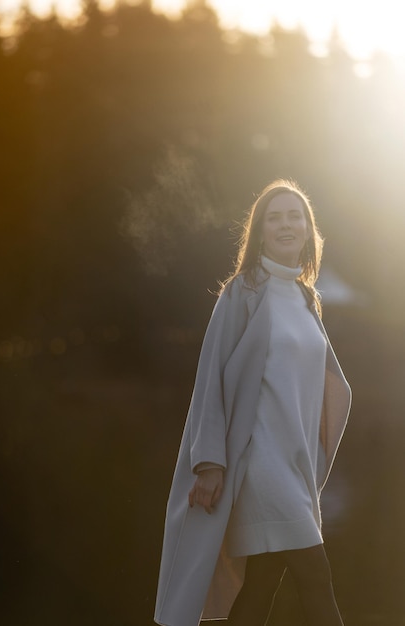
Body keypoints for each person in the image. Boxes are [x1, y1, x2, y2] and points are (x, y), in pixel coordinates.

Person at [154, 179, 351, 626]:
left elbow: (322, 387)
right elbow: (210, 378)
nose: (286, 224)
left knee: (261, 585)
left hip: (296, 466)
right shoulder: (241, 292)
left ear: (308, 229)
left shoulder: (306, 299)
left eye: (295, 216)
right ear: (260, 231)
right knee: (316, 579)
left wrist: (314, 458)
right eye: (275, 217)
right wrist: (208, 462)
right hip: (259, 464)